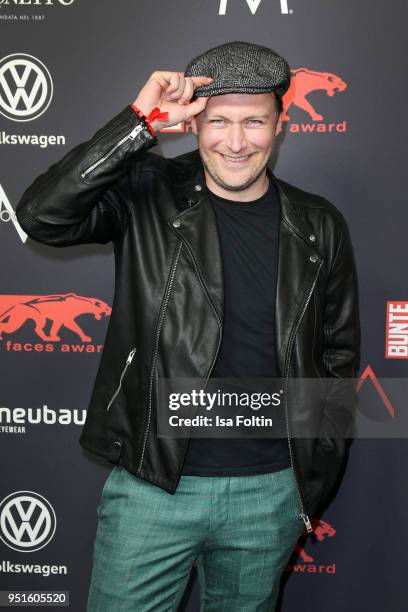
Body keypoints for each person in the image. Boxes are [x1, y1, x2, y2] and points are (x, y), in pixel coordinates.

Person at [15, 41, 361, 612]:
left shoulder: (320, 224)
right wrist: (137, 123)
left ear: (281, 126)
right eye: (217, 120)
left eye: (254, 122)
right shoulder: (145, 193)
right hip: (154, 487)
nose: (234, 141)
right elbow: (41, 216)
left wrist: (306, 486)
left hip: (270, 491)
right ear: (193, 122)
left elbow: (338, 359)